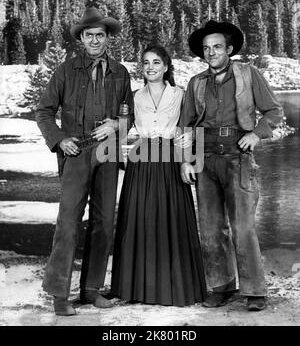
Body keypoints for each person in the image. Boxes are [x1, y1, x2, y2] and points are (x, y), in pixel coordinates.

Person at [180, 20, 283, 311]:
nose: (211, 52)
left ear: (229, 49)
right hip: (205, 158)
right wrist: (186, 160)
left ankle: (254, 291)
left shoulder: (249, 74)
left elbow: (273, 111)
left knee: (244, 227)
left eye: (217, 47)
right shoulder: (196, 82)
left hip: (239, 155)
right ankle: (222, 287)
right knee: (211, 228)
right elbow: (186, 125)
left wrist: (256, 133)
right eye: (206, 48)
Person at [36, 7, 133, 316]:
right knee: (68, 223)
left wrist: (118, 125)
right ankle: (59, 294)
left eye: (100, 35)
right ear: (81, 39)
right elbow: (44, 111)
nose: (94, 40)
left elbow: (128, 113)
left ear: (107, 39)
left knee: (104, 222)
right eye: (89, 35)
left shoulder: (120, 72)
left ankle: (91, 290)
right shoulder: (66, 70)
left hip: (107, 153)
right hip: (76, 152)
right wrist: (60, 139)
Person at [110, 44, 207, 307]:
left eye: (156, 62)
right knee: (138, 219)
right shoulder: (134, 97)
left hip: (169, 159)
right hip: (141, 160)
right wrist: (115, 151)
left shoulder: (180, 95)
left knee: (171, 218)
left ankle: (174, 288)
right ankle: (136, 288)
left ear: (166, 67)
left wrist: (187, 162)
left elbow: (187, 131)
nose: (150, 67)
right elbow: (121, 128)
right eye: (146, 62)